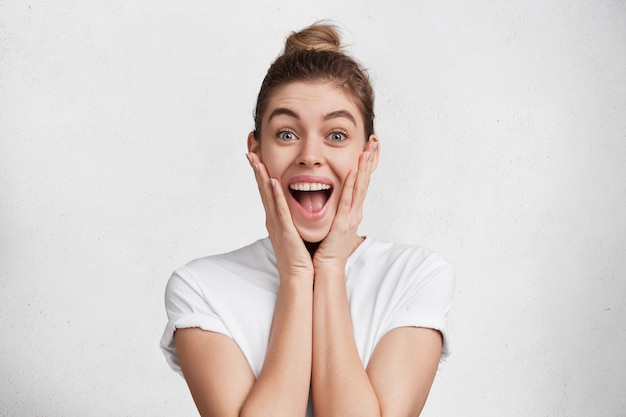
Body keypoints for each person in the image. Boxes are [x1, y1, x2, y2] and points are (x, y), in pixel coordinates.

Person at [160, 22, 455, 417]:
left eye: (336, 135)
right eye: (286, 134)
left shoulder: (415, 277)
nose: (310, 155)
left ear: (369, 154)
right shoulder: (201, 288)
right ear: (256, 149)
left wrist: (329, 268)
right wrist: (297, 277)